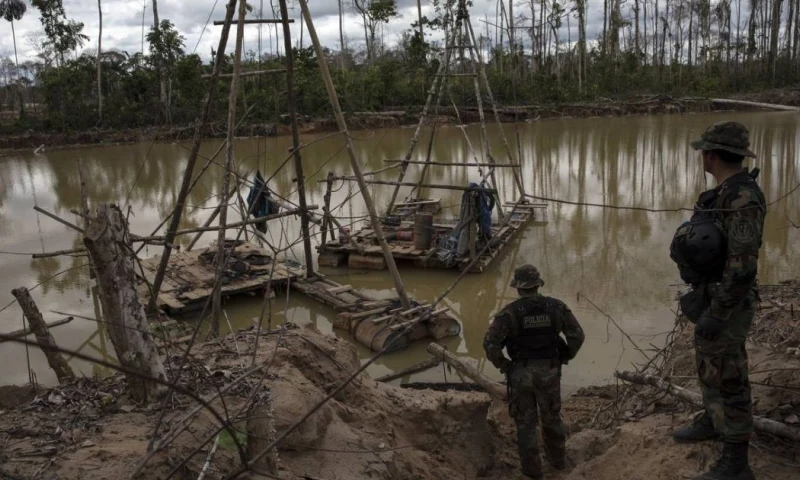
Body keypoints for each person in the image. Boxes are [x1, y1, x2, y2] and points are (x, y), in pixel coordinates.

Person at [669, 121, 765, 480]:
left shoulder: (742, 198)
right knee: (710, 366)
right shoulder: (724, 193)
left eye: (703, 152)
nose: (701, 157)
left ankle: (737, 462)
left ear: (711, 155)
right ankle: (713, 419)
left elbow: (742, 267)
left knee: (731, 376)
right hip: (712, 295)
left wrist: (719, 313)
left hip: (729, 303)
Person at [483, 265, 585, 479]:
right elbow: (577, 335)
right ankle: (558, 463)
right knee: (552, 419)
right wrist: (565, 356)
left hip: (521, 373)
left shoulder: (508, 313)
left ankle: (532, 472)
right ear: (538, 285)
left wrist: (505, 365)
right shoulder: (557, 307)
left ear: (519, 289)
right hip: (549, 371)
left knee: (526, 424)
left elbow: (490, 344)